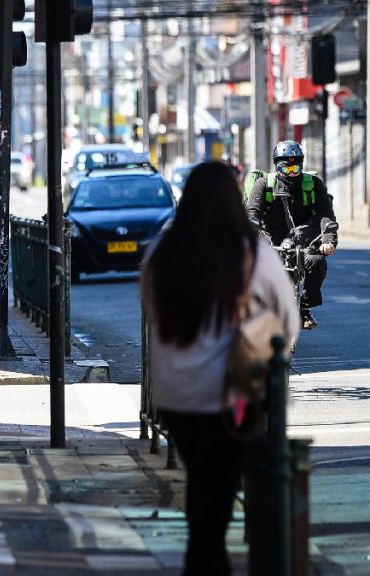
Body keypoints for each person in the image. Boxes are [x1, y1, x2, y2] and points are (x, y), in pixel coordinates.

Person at [141, 162, 298, 575]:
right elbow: (288, 322)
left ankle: (205, 554)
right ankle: (210, 558)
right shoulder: (253, 252)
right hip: (235, 394)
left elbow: (150, 311)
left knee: (204, 477)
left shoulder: (162, 251)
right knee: (223, 481)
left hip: (174, 396)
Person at [245, 140, 338, 330]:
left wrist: (328, 241)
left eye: (295, 168)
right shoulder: (264, 185)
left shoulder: (314, 185)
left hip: (304, 238)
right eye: (285, 169)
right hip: (271, 238)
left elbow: (326, 216)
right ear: (276, 166)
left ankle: (304, 307)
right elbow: (251, 213)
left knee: (316, 261)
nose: (291, 173)